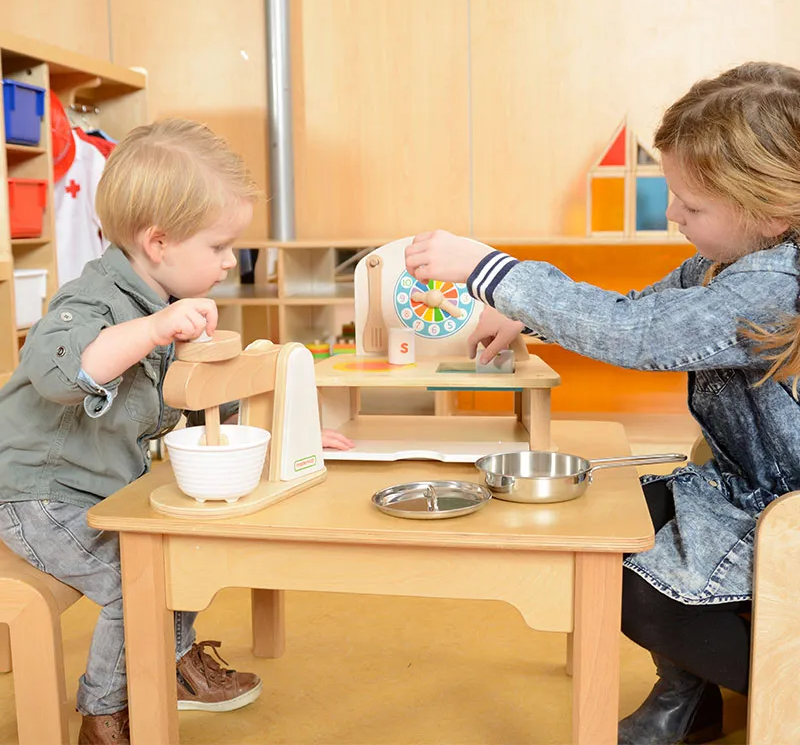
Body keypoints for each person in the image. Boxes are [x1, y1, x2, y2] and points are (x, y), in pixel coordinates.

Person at [405, 62, 800, 745]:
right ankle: (689, 695)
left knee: (633, 585)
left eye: (692, 205)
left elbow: (639, 337)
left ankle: (780, 689)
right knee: (603, 532)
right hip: (746, 490)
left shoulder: (776, 285)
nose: (672, 214)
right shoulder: (727, 262)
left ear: (771, 213)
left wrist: (489, 271)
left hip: (787, 516)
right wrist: (528, 319)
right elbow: (637, 309)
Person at [0, 118, 350, 745]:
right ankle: (107, 714)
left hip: (100, 490)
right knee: (142, 582)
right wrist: (155, 332)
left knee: (177, 551)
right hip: (36, 496)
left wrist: (290, 435)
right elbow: (59, 371)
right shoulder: (96, 302)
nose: (228, 261)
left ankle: (172, 663)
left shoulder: (159, 301)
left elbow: (194, 400)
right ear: (158, 243)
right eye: (219, 247)